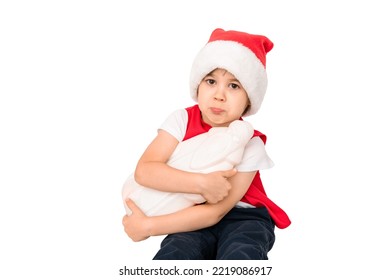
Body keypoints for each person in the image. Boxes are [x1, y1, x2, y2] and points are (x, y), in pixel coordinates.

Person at [122, 28, 291, 260]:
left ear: (249, 98)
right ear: (198, 86)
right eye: (211, 81)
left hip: (245, 217)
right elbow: (145, 171)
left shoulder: (251, 143)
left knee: (242, 254)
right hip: (188, 216)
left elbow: (216, 212)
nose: (219, 95)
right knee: (176, 253)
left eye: (234, 86)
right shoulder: (181, 121)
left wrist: (149, 227)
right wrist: (201, 184)